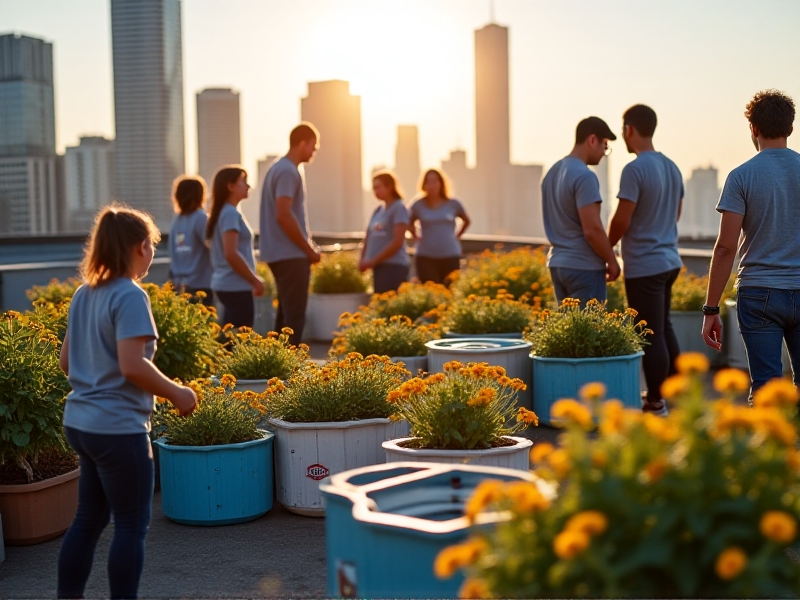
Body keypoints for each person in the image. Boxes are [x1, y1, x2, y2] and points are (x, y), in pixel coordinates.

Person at [57, 206, 197, 599]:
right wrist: (178, 392)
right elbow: (132, 366)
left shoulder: (84, 294)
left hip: (82, 424)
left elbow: (67, 362)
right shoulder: (130, 295)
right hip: (117, 428)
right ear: (140, 247)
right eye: (152, 245)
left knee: (87, 520)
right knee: (131, 525)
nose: (153, 252)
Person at [702, 89, 800, 401]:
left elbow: (725, 248)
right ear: (790, 128)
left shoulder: (741, 176)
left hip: (758, 294)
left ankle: (770, 450)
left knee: (767, 389)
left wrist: (711, 308)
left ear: (753, 129)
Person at [608, 104, 683, 416]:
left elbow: (622, 220)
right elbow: (676, 214)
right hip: (669, 260)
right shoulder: (672, 166)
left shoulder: (635, 169)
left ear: (629, 130)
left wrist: (606, 249)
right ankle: (675, 390)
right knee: (662, 327)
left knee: (649, 334)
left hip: (644, 265)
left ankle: (655, 401)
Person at [541, 117, 620, 305]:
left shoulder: (551, 174)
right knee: (589, 332)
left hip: (558, 264)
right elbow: (592, 229)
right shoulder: (585, 177)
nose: (604, 153)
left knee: (571, 332)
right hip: (584, 268)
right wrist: (613, 261)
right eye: (605, 146)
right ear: (592, 140)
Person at [259, 123, 321, 345]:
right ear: (302, 143)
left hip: (278, 253)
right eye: (313, 146)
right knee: (294, 316)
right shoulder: (287, 171)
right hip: (290, 255)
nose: (315, 151)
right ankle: (289, 369)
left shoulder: (278, 168)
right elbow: (283, 215)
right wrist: (308, 250)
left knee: (285, 314)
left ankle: (277, 366)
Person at [207, 165, 265, 329]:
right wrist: (255, 281)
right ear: (230, 186)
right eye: (243, 181)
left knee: (230, 336)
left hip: (227, 284)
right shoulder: (230, 214)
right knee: (238, 339)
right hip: (235, 286)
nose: (248, 186)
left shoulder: (223, 212)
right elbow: (230, 253)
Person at [408, 168, 470, 285]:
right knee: (432, 291)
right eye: (428, 182)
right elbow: (407, 222)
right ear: (424, 185)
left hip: (450, 255)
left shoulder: (453, 203)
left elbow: (467, 220)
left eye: (434, 181)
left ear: (441, 183)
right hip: (425, 256)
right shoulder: (418, 205)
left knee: (450, 289)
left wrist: (457, 236)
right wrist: (415, 235)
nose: (431, 185)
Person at [359, 171, 410, 293]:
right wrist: (363, 258)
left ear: (389, 187)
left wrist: (374, 260)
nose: (375, 191)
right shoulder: (378, 211)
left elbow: (398, 242)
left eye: (378, 187)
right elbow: (368, 236)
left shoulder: (399, 208)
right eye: (373, 188)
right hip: (378, 267)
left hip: (394, 267)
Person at [168, 175, 212, 306]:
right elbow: (213, 245)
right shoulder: (201, 218)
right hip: (201, 284)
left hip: (178, 283)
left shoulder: (177, 220)